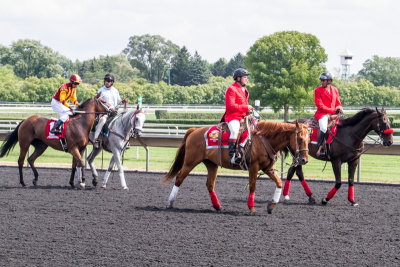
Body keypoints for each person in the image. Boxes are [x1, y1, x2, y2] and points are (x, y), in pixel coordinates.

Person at [223, 68, 253, 165]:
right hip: (233, 118)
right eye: (245, 77)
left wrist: (248, 111)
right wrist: (246, 108)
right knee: (235, 131)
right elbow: (230, 106)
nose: (246, 79)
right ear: (238, 78)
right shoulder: (231, 89)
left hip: (243, 117)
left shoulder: (244, 90)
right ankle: (232, 156)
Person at [314, 72, 343, 157]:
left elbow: (338, 102)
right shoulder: (317, 90)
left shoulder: (335, 89)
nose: (321, 82)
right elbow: (320, 105)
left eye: (323, 80)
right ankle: (321, 147)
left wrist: (339, 107)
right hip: (322, 114)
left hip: (334, 113)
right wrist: (332, 111)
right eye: (321, 80)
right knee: (323, 127)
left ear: (329, 81)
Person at [93, 73, 126, 148]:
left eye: (108, 81)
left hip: (114, 112)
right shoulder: (101, 90)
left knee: (124, 121)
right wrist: (105, 102)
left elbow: (118, 100)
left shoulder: (115, 90)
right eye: (105, 80)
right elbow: (97, 99)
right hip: (104, 112)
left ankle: (124, 140)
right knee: (102, 120)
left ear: (112, 82)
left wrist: (122, 101)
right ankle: (96, 139)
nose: (106, 82)